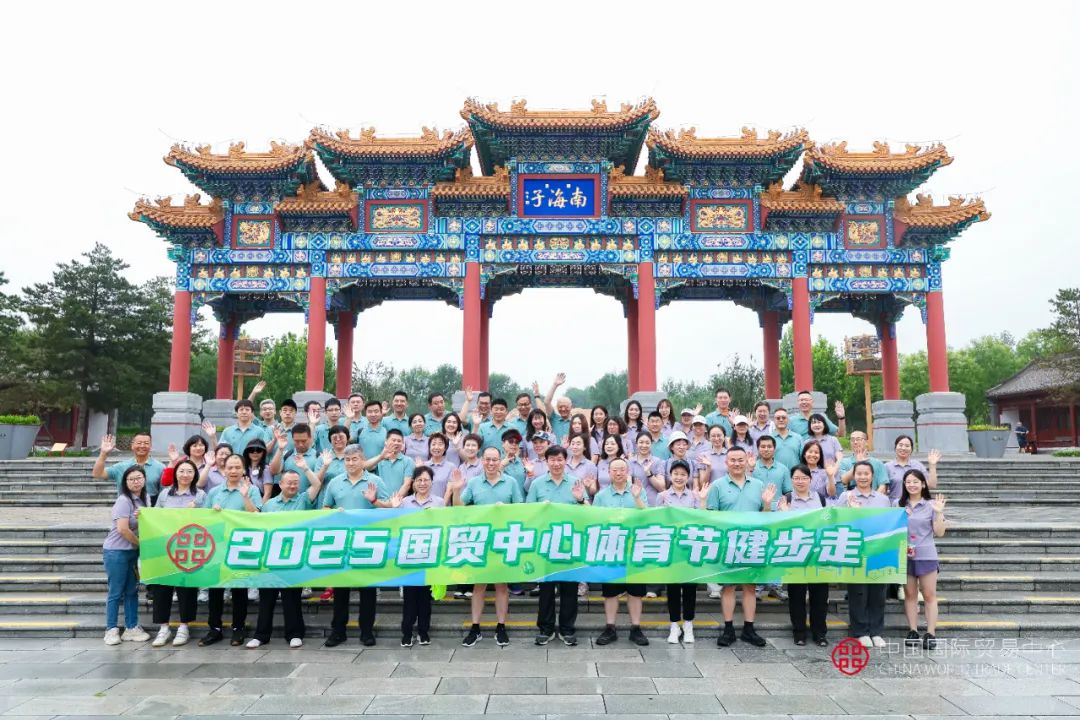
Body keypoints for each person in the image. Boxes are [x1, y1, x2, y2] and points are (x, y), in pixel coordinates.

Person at [702, 447, 776, 647]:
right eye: (733, 460)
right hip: (728, 543)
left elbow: (766, 516)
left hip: (753, 542)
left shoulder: (758, 485)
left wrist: (767, 504)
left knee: (750, 587)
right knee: (728, 587)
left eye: (740, 460)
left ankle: (749, 629)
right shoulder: (717, 486)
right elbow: (711, 517)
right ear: (726, 463)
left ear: (746, 462)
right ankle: (728, 629)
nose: (737, 463)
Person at [452, 446, 526, 647]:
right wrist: (456, 489)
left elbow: (520, 510)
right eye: (488, 459)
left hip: (503, 540)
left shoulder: (510, 482)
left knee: (501, 585)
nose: (491, 463)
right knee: (479, 586)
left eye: (494, 459)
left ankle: (501, 626)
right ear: (482, 461)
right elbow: (459, 507)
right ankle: (475, 628)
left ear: (500, 460)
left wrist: (506, 510)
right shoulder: (474, 482)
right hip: (480, 540)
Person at [322, 444, 394, 647]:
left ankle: (367, 631)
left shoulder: (375, 481)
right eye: (347, 459)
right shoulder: (335, 482)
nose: (351, 463)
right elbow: (325, 507)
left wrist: (374, 501)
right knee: (340, 590)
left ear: (363, 460)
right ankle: (338, 631)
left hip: (367, 543)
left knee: (367, 590)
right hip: (342, 542)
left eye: (355, 459)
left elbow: (390, 506)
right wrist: (334, 512)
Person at [246, 466, 324, 649]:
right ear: (280, 484)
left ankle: (295, 634)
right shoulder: (269, 505)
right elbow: (256, 522)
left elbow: (316, 484)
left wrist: (305, 468)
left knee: (292, 599)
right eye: (289, 482)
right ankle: (261, 635)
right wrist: (245, 496)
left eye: (296, 483)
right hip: (270, 558)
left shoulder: (303, 500)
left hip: (294, 559)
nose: (293, 486)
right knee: (266, 599)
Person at [526, 445, 587, 646]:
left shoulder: (575, 482)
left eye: (560, 459)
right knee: (546, 590)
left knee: (569, 589)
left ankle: (567, 629)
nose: (556, 463)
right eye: (552, 460)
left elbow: (589, 512)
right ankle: (546, 629)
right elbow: (528, 513)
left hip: (570, 543)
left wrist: (580, 500)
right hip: (545, 545)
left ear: (565, 461)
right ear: (546, 462)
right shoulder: (537, 484)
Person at [200, 453, 263, 646]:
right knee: (215, 590)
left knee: (239, 590)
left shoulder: (252, 489)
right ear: (224, 470)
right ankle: (215, 628)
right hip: (218, 546)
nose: (234, 471)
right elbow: (204, 519)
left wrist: (245, 497)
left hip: (241, 546)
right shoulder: (214, 492)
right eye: (230, 467)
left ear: (244, 469)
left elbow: (257, 516)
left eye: (237, 467)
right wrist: (213, 513)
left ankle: (238, 628)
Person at [592, 458, 649, 646]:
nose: (618, 473)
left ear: (628, 471)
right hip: (611, 548)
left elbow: (647, 516)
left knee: (636, 592)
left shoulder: (638, 490)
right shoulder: (601, 496)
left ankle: (636, 628)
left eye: (622, 469)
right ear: (609, 472)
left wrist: (637, 497)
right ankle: (610, 627)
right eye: (615, 470)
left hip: (635, 548)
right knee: (610, 592)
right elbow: (594, 520)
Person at [836, 461, 892, 648]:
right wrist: (852, 513)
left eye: (866, 473)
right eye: (858, 473)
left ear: (872, 476)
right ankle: (860, 631)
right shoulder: (846, 496)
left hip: (878, 552)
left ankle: (876, 631)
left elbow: (888, 524)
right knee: (858, 593)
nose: (862, 477)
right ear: (854, 476)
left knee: (878, 593)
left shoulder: (883, 499)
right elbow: (837, 521)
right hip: (855, 551)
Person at [150, 460, 206, 647]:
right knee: (162, 587)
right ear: (175, 473)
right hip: (165, 547)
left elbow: (207, 520)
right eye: (181, 471)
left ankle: (184, 626)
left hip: (188, 548)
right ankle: (163, 628)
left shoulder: (200, 495)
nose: (185, 475)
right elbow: (155, 516)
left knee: (186, 587)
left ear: (195, 475)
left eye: (190, 471)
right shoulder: (165, 494)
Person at [776, 464, 830, 646]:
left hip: (818, 554)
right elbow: (777, 526)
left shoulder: (820, 499)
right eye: (796, 478)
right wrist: (785, 514)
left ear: (810, 479)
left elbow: (829, 521)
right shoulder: (786, 500)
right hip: (795, 555)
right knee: (796, 596)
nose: (800, 481)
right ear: (791, 480)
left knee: (820, 597)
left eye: (804, 478)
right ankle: (799, 632)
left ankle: (819, 633)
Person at [898, 469, 947, 650]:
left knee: (929, 595)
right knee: (910, 595)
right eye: (908, 482)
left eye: (915, 481)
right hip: (904, 555)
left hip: (926, 555)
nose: (911, 485)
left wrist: (939, 513)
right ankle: (913, 630)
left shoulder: (931, 505)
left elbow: (940, 532)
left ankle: (931, 633)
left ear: (923, 484)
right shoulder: (898, 504)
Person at [102, 465, 150, 645]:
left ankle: (131, 627)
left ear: (144, 479)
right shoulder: (123, 500)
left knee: (131, 590)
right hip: (116, 552)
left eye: (139, 478)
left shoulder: (145, 498)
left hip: (132, 552)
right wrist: (141, 544)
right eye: (131, 479)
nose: (135, 482)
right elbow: (123, 529)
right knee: (116, 591)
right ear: (125, 482)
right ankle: (111, 629)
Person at [399, 466, 445, 646]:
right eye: (419, 480)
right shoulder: (404, 502)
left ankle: (423, 631)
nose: (423, 483)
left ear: (432, 482)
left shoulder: (439, 502)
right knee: (410, 597)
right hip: (409, 556)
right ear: (413, 483)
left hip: (430, 556)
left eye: (426, 480)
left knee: (425, 598)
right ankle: (407, 632)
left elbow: (445, 525)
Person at [658, 460, 698, 644]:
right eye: (676, 474)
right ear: (670, 475)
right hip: (671, 549)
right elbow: (657, 521)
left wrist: (702, 501)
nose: (679, 477)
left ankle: (688, 625)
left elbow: (702, 520)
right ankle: (674, 625)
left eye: (683, 474)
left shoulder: (695, 496)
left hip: (690, 549)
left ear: (688, 477)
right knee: (673, 589)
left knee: (690, 589)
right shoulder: (662, 496)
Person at [750, 434, 792, 602]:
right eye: (763, 446)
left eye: (769, 446)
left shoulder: (783, 469)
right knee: (758, 549)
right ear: (758, 449)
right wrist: (749, 470)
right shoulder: (751, 467)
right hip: (757, 513)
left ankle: (775, 586)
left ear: (774, 449)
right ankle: (758, 586)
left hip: (777, 514)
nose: (766, 449)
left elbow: (788, 491)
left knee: (776, 549)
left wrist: (784, 507)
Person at [93, 432, 166, 504]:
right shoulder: (121, 466)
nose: (142, 446)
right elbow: (97, 474)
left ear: (151, 446)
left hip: (150, 507)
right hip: (125, 506)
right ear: (132, 446)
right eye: (139, 443)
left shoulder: (160, 467)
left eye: (146, 443)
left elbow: (163, 493)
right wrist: (103, 453)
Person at [269, 423, 320, 499]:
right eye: (297, 441)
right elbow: (274, 471)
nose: (300, 444)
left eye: (304, 441)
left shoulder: (318, 456)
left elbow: (318, 482)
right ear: (292, 439)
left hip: (309, 501)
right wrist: (280, 449)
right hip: (287, 501)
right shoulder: (287, 455)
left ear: (310, 438)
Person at [161, 424, 216, 489]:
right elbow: (166, 482)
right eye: (194, 446)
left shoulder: (210, 462)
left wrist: (213, 437)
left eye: (201, 445)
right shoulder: (181, 462)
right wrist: (172, 462)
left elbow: (219, 453)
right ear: (188, 448)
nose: (198, 448)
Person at [365, 429, 416, 498]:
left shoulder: (408, 461)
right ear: (386, 442)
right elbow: (364, 467)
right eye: (393, 440)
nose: (396, 443)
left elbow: (406, 485)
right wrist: (381, 457)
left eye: (399, 441)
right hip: (380, 501)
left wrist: (394, 501)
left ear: (402, 444)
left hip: (399, 501)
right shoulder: (379, 459)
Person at [885, 436, 939, 501]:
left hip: (916, 505)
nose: (903, 448)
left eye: (907, 446)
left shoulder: (917, 465)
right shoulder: (887, 467)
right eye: (900, 445)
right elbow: (882, 490)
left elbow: (931, 485)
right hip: (896, 505)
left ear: (911, 449)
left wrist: (932, 465)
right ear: (895, 447)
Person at [418, 431, 456, 503]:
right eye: (433, 444)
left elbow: (449, 490)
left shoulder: (451, 467)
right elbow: (417, 489)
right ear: (429, 447)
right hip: (424, 506)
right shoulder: (423, 466)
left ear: (445, 448)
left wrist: (441, 507)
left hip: (442, 507)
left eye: (440, 444)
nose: (436, 447)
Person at [241, 438, 274, 502]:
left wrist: (260, 507)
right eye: (251, 450)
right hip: (243, 501)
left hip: (259, 503)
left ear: (263, 452)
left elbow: (267, 494)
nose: (255, 452)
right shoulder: (242, 468)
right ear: (247, 452)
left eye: (258, 450)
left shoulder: (266, 469)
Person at [498, 428, 528, 495]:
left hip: (521, 500)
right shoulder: (496, 461)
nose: (514, 444)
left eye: (517, 442)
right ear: (503, 443)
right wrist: (501, 466)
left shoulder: (523, 462)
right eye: (511, 441)